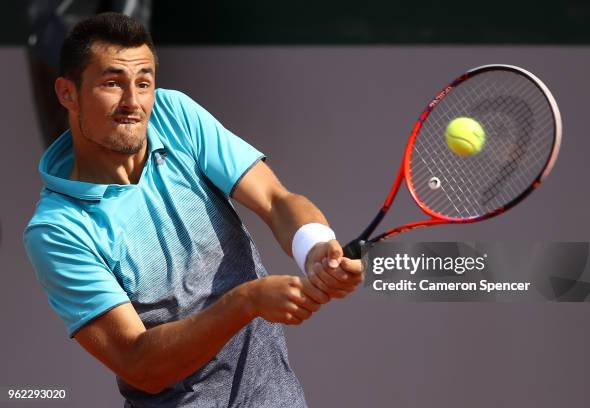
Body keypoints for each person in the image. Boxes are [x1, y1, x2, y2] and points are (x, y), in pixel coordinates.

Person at [23, 12, 363, 408]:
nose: (133, 102)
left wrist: (316, 247)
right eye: (112, 83)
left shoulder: (175, 114)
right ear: (67, 94)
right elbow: (141, 364)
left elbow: (275, 199)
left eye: (144, 82)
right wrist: (245, 302)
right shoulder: (57, 230)